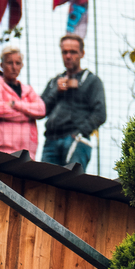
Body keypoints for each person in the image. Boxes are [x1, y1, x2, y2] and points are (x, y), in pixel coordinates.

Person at [42, 35, 107, 171]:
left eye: (73, 52)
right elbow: (41, 110)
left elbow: (100, 113)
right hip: (51, 141)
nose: (68, 56)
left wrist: (80, 132)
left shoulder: (91, 81)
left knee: (71, 182)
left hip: (76, 140)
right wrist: (56, 91)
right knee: (45, 182)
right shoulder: (55, 82)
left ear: (82, 53)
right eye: (64, 52)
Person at [0, 44, 45, 158]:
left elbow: (41, 110)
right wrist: (29, 114)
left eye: (17, 63)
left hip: (26, 155)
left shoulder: (28, 90)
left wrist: (16, 105)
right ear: (2, 65)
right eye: (10, 63)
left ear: (22, 65)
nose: (14, 67)